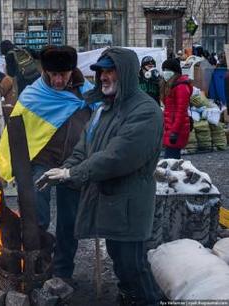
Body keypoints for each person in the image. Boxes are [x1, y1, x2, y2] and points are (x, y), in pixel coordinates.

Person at [37, 47, 164, 305]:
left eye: (110, 70)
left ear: (126, 73)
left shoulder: (145, 111)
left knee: (133, 264)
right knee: (119, 258)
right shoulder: (103, 109)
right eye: (101, 71)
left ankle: (146, 300)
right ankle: (130, 297)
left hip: (130, 206)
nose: (104, 77)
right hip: (112, 203)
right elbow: (85, 146)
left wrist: (74, 173)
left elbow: (117, 157)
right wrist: (64, 170)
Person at [0, 45, 96, 283]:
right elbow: (16, 130)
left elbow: (101, 121)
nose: (58, 80)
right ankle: (36, 260)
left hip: (73, 165)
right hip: (43, 163)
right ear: (45, 70)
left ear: (72, 70)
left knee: (69, 221)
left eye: (63, 74)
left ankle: (62, 272)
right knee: (35, 212)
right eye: (53, 74)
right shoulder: (35, 94)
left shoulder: (87, 93)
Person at [161, 58, 192, 159]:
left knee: (170, 160)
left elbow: (181, 111)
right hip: (171, 127)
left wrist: (174, 131)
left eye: (167, 70)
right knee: (173, 160)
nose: (165, 72)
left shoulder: (181, 86)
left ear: (175, 71)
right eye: (164, 69)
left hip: (177, 129)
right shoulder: (170, 85)